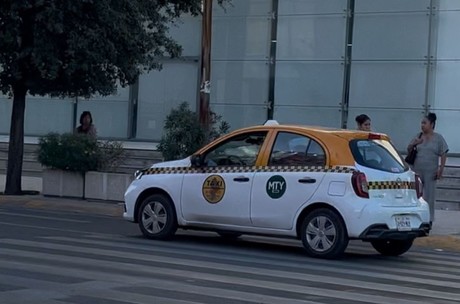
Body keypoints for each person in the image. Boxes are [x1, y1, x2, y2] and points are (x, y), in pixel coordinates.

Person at [407, 112, 448, 223]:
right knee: (415, 195)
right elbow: (409, 149)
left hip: (431, 172)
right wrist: (414, 144)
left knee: (429, 197)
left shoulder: (438, 138)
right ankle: (416, 217)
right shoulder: (418, 136)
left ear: (432, 124)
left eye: (425, 123)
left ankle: (429, 219)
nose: (422, 125)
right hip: (417, 171)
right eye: (422, 123)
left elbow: (444, 153)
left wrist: (441, 169)